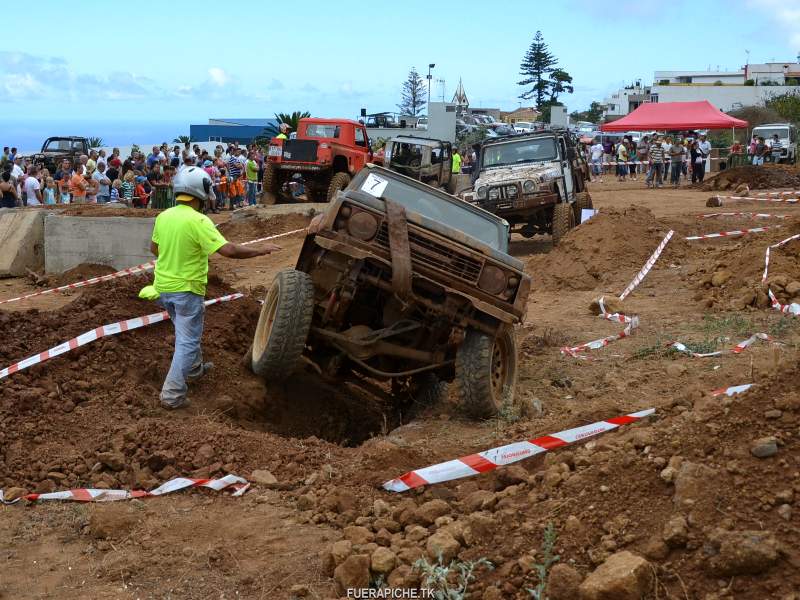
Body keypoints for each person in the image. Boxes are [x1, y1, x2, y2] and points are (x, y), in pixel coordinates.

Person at [146, 167, 281, 409]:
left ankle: (195, 370)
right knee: (187, 341)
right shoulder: (199, 220)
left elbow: (154, 249)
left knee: (186, 332)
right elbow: (228, 250)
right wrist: (261, 249)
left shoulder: (164, 216)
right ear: (200, 191)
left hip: (163, 288)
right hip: (186, 289)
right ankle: (172, 394)